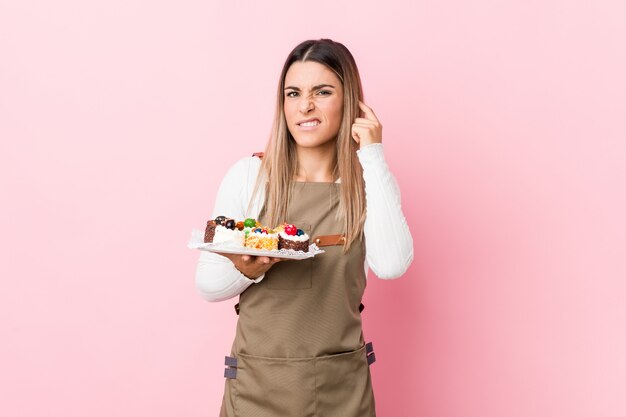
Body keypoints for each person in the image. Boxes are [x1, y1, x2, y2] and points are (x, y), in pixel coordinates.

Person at [195, 38, 414, 417]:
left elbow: (392, 265)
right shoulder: (250, 176)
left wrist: (373, 156)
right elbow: (209, 286)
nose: (305, 106)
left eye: (322, 91)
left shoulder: (368, 184)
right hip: (256, 390)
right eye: (293, 93)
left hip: (341, 392)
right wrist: (247, 269)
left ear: (351, 102)